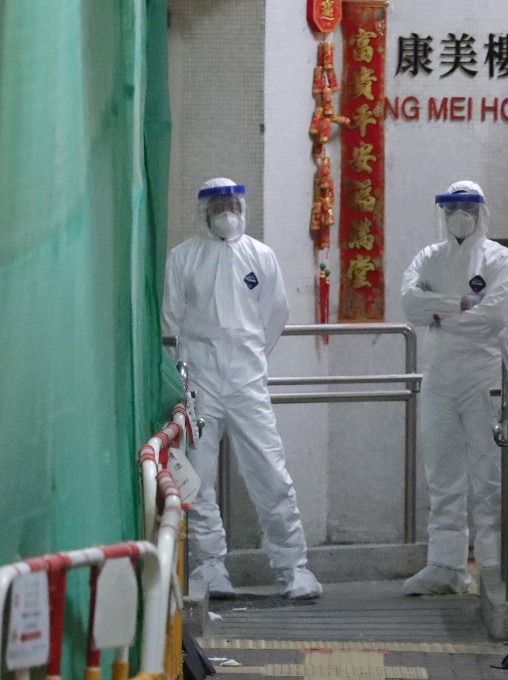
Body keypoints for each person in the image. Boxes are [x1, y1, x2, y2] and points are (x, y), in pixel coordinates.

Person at [162, 177, 323, 600]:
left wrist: (250, 359)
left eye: (233, 203)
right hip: (198, 381)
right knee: (195, 478)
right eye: (218, 205)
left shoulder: (261, 256)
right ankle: (208, 566)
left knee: (271, 472)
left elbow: (276, 313)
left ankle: (294, 567)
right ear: (204, 211)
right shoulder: (183, 258)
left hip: (248, 381)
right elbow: (170, 319)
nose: (226, 211)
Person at [400, 180, 508, 595]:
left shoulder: (501, 260)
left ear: (481, 211)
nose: (460, 214)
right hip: (438, 379)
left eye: (468, 206)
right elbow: (410, 306)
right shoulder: (428, 258)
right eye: (453, 207)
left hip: (484, 380)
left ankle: (492, 566)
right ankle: (446, 564)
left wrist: (439, 312)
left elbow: (492, 318)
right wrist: (460, 305)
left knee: (488, 479)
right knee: (442, 475)